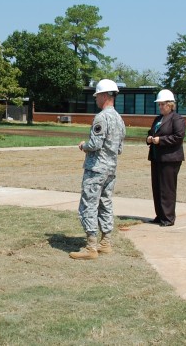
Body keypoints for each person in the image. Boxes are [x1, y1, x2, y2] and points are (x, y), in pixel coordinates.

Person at [69, 79, 126, 260]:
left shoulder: (101, 117)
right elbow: (119, 148)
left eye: (96, 96)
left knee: (89, 205)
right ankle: (105, 242)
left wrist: (83, 146)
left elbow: (95, 143)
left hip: (96, 169)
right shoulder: (119, 119)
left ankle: (91, 246)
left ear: (103, 95)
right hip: (111, 169)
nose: (95, 99)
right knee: (106, 203)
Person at [146, 89, 186, 227]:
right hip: (156, 158)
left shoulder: (177, 119)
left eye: (163, 104)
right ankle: (160, 215)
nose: (160, 107)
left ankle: (168, 218)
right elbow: (151, 133)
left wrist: (160, 140)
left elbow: (178, 137)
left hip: (170, 159)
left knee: (167, 188)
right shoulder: (158, 119)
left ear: (170, 104)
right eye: (159, 104)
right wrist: (149, 138)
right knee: (157, 187)